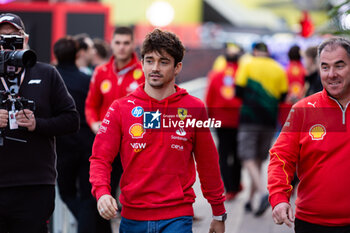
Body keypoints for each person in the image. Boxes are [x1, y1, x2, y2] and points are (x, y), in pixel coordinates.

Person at [89, 28, 227, 233]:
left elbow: (208, 163)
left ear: (177, 67)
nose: (155, 68)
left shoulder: (194, 107)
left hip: (177, 218)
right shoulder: (120, 108)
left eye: (163, 62)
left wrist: (218, 212)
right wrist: (102, 192)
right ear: (142, 63)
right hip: (132, 218)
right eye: (150, 60)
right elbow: (100, 158)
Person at [0, 13, 79, 233]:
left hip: (34, 184)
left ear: (25, 39)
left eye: (13, 37)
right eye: (2, 38)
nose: (7, 43)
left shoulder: (47, 73)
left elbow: (71, 120)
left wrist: (38, 124)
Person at [268, 37, 350, 232]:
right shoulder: (303, 110)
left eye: (339, 66)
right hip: (311, 222)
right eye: (325, 67)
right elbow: (281, 157)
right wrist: (279, 198)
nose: (331, 74)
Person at [53, 36, 112, 233]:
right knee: (88, 197)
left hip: (61, 146)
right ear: (79, 54)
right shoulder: (88, 80)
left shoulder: (50, 80)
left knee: (67, 192)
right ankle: (91, 225)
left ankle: (89, 224)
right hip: (88, 144)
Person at [85, 26, 145, 209]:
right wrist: (94, 123)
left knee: (134, 189)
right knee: (103, 185)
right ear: (111, 44)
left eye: (126, 43)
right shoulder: (101, 72)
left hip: (134, 140)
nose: (122, 47)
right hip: (107, 139)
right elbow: (91, 104)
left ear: (133, 44)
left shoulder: (144, 71)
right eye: (118, 43)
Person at [235, 42, 288, 216]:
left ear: (255, 51)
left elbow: (238, 91)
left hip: (249, 118)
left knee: (247, 157)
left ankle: (263, 193)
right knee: (257, 160)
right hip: (269, 121)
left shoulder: (247, 63)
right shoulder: (279, 69)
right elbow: (283, 95)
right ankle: (251, 202)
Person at [205, 42, 243, 201]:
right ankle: (236, 184)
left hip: (220, 121)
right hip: (239, 120)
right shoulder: (242, 75)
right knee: (237, 154)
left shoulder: (215, 75)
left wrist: (209, 118)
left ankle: (228, 188)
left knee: (223, 153)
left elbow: (209, 98)